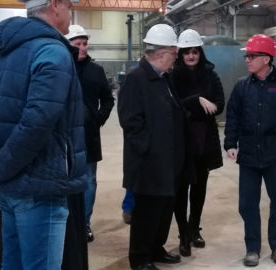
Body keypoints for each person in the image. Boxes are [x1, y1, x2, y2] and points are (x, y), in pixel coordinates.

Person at [0, 0, 87, 270]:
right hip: (40, 187)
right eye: (68, 4)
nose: (70, 11)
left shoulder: (7, 53)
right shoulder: (53, 52)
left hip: (9, 186)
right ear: (55, 4)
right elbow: (37, 122)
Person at [224, 34, 276, 267]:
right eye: (247, 56)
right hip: (249, 155)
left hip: (275, 155)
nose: (247, 60)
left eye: (252, 56)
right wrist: (230, 143)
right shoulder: (242, 86)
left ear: (267, 58)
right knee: (247, 204)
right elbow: (233, 116)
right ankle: (252, 248)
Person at [118, 24, 186, 270]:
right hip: (148, 164)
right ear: (162, 53)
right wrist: (149, 150)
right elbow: (131, 123)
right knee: (146, 212)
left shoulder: (164, 78)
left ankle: (156, 249)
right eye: (174, 54)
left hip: (167, 161)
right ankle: (140, 258)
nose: (176, 59)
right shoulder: (136, 79)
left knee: (163, 209)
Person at [171, 29, 224, 257]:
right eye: (187, 52)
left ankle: (194, 229)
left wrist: (198, 106)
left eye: (195, 52)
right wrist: (198, 100)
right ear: (180, 54)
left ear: (200, 53)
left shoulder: (211, 75)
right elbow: (174, 106)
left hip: (204, 140)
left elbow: (219, 104)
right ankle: (183, 234)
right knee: (181, 189)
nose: (191, 56)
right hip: (182, 140)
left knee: (199, 188)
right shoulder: (173, 76)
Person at [66, 24, 115, 243]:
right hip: (64, 136)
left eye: (85, 44)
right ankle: (67, 223)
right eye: (77, 44)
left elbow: (108, 99)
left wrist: (98, 120)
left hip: (88, 136)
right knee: (66, 179)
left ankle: (84, 223)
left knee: (88, 180)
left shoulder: (96, 71)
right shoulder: (60, 68)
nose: (83, 48)